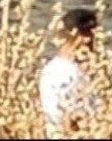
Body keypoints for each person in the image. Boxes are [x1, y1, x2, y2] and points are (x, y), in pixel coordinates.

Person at [40, 8, 101, 138]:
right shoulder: (64, 72)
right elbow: (68, 119)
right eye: (89, 33)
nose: (92, 41)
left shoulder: (57, 68)